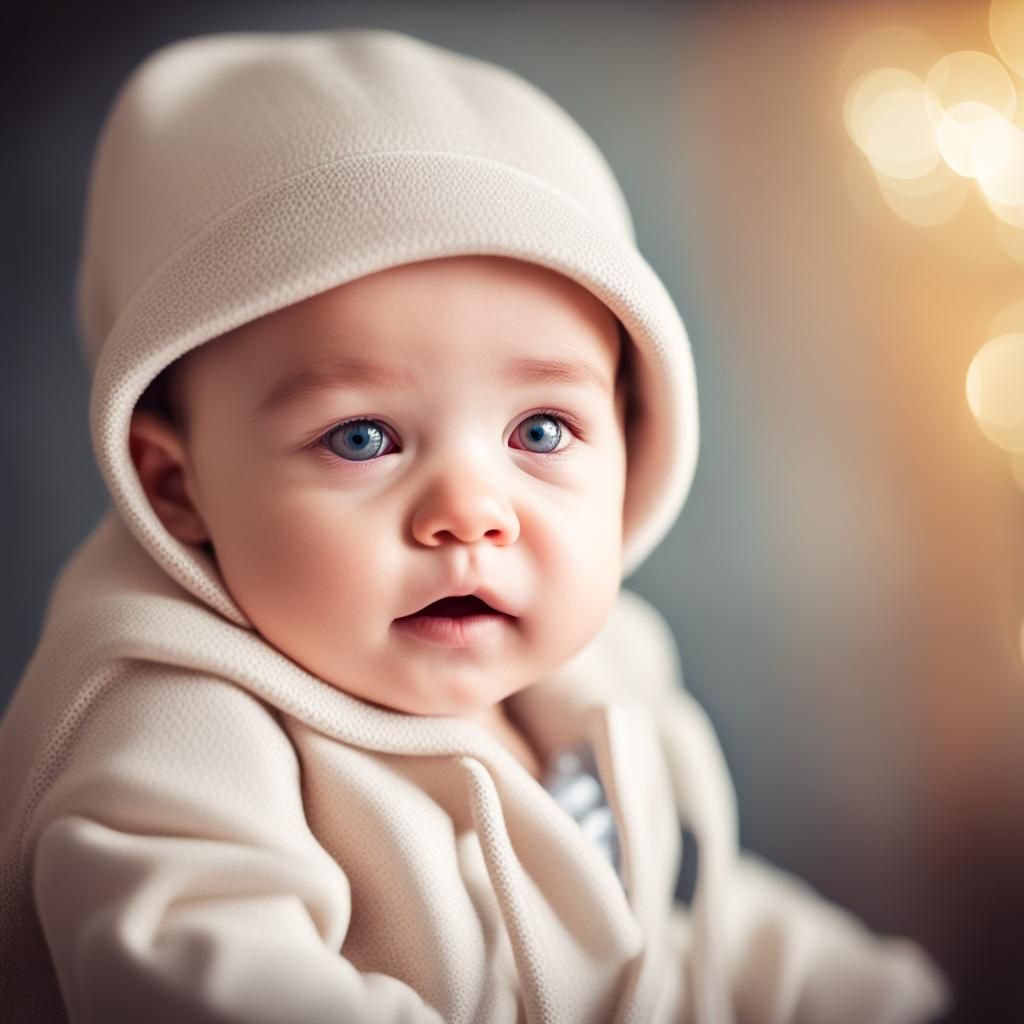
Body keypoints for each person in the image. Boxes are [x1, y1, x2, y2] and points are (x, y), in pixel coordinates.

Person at [0, 27, 951, 1023]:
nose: (470, 514)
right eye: (362, 437)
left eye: (540, 428)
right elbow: (205, 979)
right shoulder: (181, 733)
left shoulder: (595, 675)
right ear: (175, 487)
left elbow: (671, 929)